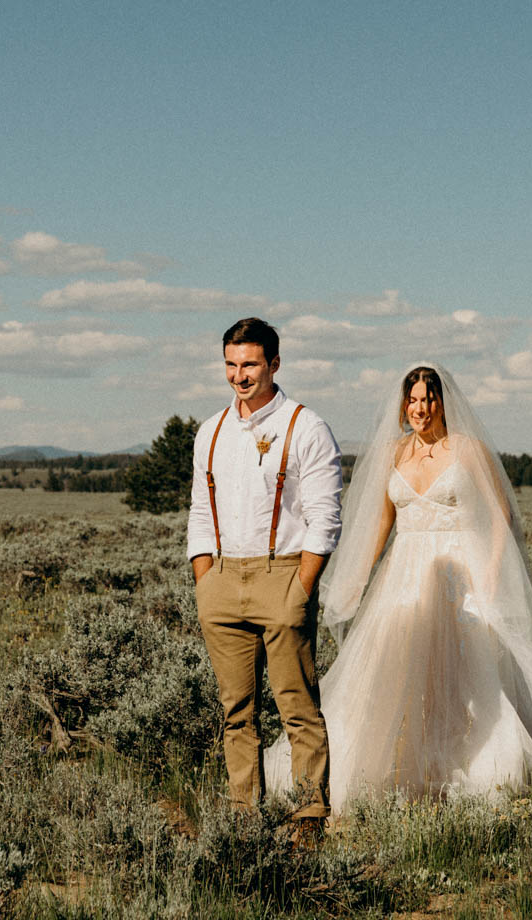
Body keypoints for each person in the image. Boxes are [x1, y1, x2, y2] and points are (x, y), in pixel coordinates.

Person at [266, 363, 532, 808]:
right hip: (407, 575)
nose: (420, 409)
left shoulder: (466, 449)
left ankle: (467, 760)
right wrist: (358, 575)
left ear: (444, 404)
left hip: (461, 571)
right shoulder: (395, 453)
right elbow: (381, 522)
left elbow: (500, 513)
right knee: (401, 667)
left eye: (429, 399)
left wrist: (489, 572)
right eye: (412, 400)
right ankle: (400, 765)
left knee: (469, 673)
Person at [187, 318, 344, 836]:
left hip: (283, 575)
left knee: (297, 708)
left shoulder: (306, 426)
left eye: (250, 363)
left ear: (274, 364)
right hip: (223, 579)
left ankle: (308, 816)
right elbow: (199, 513)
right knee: (237, 712)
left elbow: (325, 517)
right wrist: (205, 579)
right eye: (231, 364)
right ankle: (243, 819)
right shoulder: (210, 432)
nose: (239, 375)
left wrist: (301, 587)